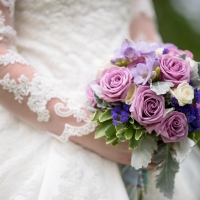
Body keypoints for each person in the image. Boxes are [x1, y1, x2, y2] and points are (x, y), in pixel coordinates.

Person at [0, 0, 200, 200]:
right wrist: (87, 129)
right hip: (41, 123)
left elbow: (146, 37)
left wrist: (165, 102)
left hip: (131, 126)